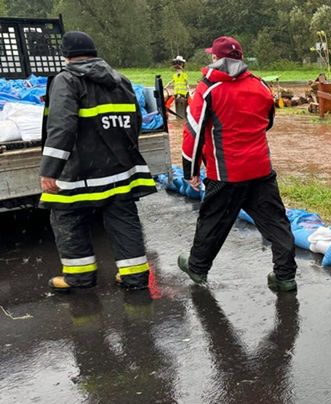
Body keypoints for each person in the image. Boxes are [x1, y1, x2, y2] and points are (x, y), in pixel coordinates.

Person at [39, 31, 156, 291]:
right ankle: (134, 277)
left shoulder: (66, 80)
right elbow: (134, 122)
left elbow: (61, 128)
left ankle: (79, 278)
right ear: (94, 52)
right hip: (118, 170)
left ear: (66, 55)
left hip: (80, 171)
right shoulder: (121, 80)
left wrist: (50, 170)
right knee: (123, 217)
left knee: (66, 215)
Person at [177, 36, 297, 291]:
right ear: (241, 59)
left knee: (213, 221)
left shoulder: (208, 89)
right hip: (261, 170)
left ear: (214, 59)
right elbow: (268, 122)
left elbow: (193, 133)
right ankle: (285, 276)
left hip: (225, 173)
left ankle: (197, 267)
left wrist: (190, 170)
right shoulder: (261, 86)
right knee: (276, 222)